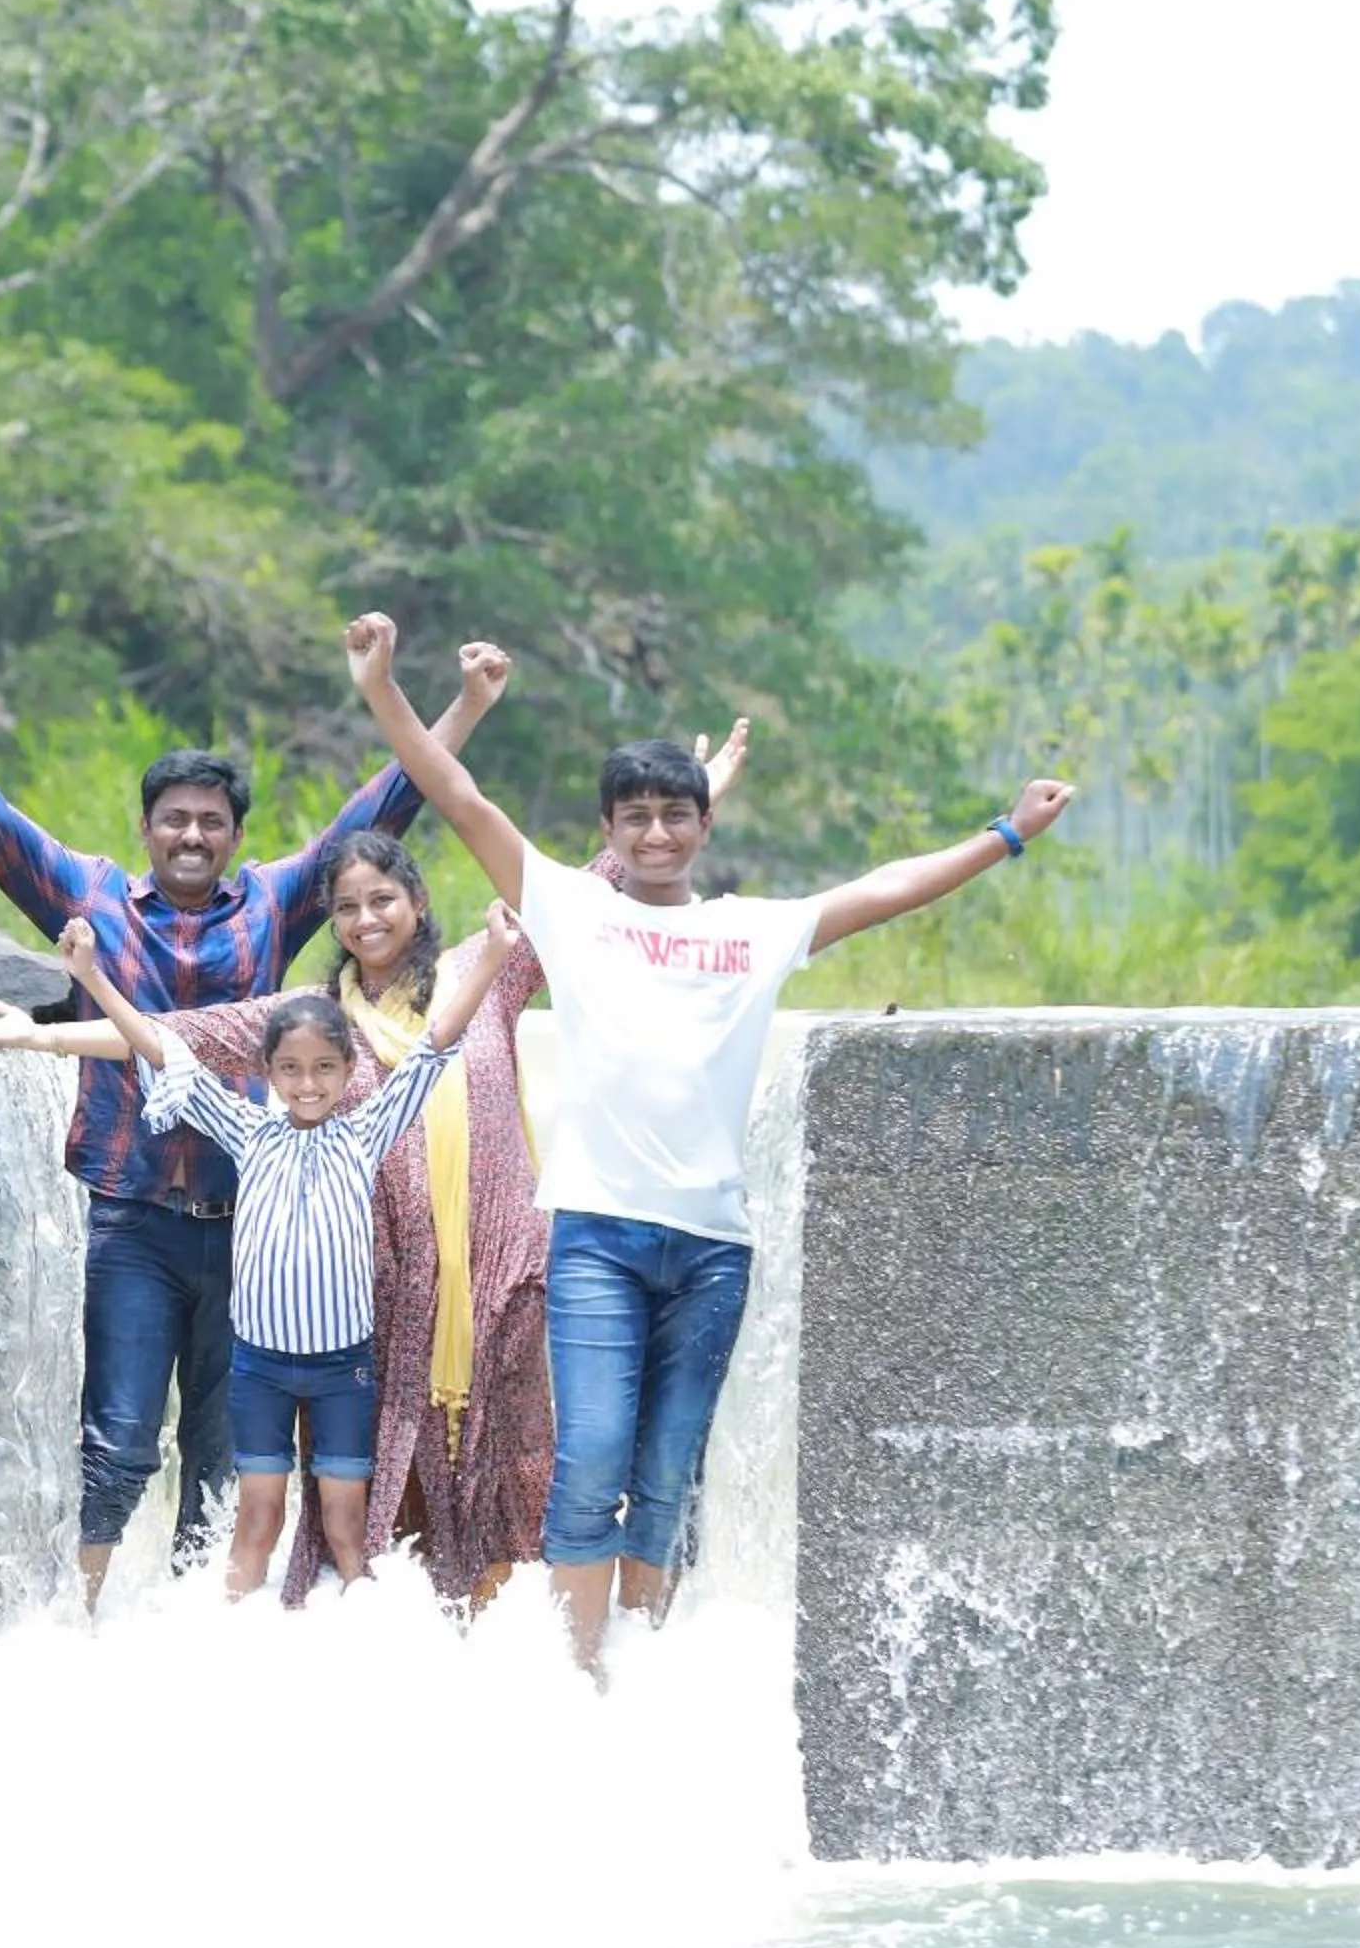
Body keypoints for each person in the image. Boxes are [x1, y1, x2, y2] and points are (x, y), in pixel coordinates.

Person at [341, 608, 1074, 1670]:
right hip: (594, 1236)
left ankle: (640, 1672)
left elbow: (877, 891)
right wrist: (380, 689)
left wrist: (1004, 834)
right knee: (590, 1460)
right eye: (633, 818)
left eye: (672, 816)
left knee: (670, 1469)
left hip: (709, 1250)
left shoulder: (749, 930)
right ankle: (575, 1680)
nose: (654, 835)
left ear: (700, 826)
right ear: (608, 829)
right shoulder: (566, 908)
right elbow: (457, 795)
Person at [0, 718, 749, 1611]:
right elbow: (168, 1040)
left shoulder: (482, 973)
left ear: (416, 902)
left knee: (518, 1474)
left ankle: (528, 1665)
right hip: (376, 1293)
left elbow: (592, 887)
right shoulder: (311, 1022)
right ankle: (397, 1660)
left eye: (383, 899)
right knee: (393, 1498)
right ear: (332, 923)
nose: (366, 918)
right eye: (346, 907)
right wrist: (33, 1038)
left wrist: (702, 789)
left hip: (501, 1275)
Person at [0, 638, 509, 1603]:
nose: (193, 836)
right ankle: (91, 1616)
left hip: (251, 1227)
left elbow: (384, 803)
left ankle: (203, 1626)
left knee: (226, 1457)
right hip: (134, 1217)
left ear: (235, 835)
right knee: (116, 1438)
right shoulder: (91, 893)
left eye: (212, 823)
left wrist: (466, 708)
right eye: (176, 820)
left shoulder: (274, 903)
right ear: (147, 828)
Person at [53, 901, 522, 1600]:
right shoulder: (247, 1131)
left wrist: (488, 959)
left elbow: (435, 1046)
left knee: (344, 1522)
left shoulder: (365, 1132)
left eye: (324, 1068)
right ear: (270, 1073)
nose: (309, 1084)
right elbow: (158, 1049)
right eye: (293, 1069)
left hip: (342, 1371)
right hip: (261, 1371)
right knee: (259, 1518)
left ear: (346, 1070)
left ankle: (354, 1642)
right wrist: (91, 974)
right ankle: (237, 1649)